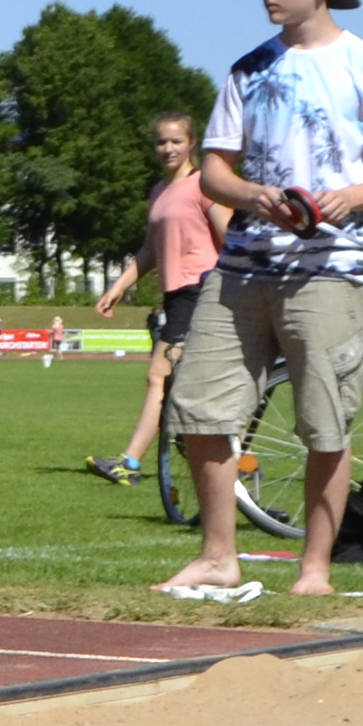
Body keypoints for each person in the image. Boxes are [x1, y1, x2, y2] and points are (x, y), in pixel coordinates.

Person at [163, 0, 363, 603]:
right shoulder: (249, 67)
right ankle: (218, 557)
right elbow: (215, 169)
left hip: (331, 270)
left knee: (325, 423)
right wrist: (254, 195)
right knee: (200, 409)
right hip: (244, 265)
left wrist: (348, 198)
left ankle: (315, 569)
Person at [85, 113, 216, 485]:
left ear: (193, 143)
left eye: (176, 141)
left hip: (200, 291)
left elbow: (229, 238)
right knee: (180, 383)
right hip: (176, 294)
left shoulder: (205, 185)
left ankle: (132, 462)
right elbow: (150, 250)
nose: (168, 148)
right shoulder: (159, 191)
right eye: (161, 142)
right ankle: (222, 456)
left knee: (160, 375)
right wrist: (118, 287)